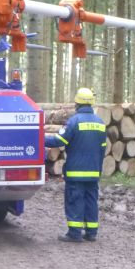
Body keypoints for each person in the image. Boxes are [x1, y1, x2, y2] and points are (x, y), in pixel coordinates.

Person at [45, 87, 107, 243]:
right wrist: (98, 169)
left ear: (77, 104)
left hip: (76, 171)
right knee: (91, 201)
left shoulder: (74, 122)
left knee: (75, 200)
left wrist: (39, 137)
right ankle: (91, 232)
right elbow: (102, 149)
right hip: (93, 171)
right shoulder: (100, 123)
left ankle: (74, 233)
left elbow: (59, 141)